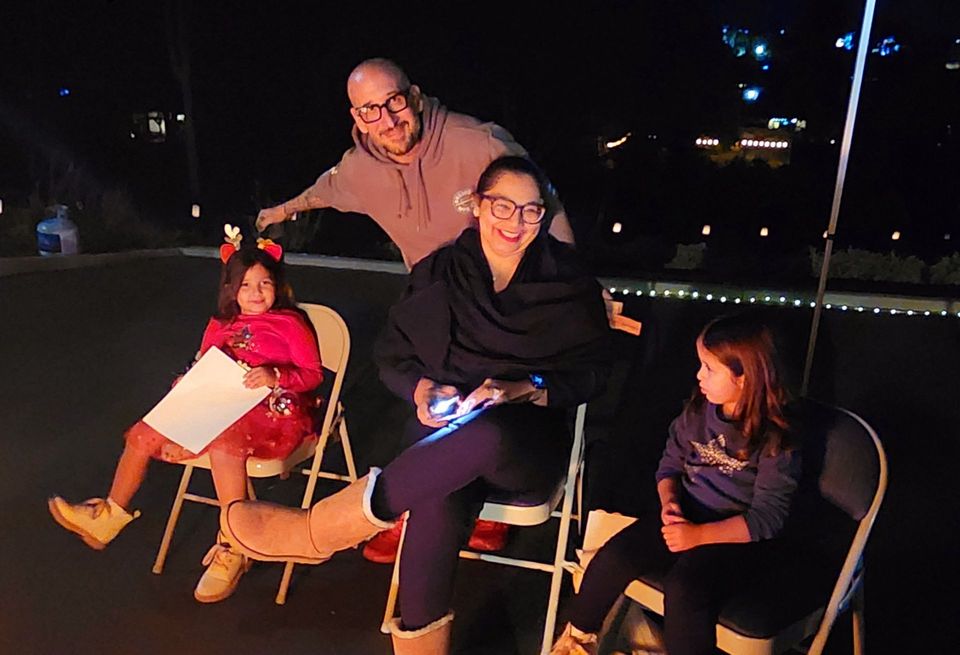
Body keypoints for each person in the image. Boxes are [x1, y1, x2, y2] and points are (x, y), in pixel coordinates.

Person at [219, 156, 612, 654]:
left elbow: (593, 373)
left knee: (485, 436)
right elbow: (393, 356)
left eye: (531, 211)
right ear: (477, 205)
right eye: (503, 206)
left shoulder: (567, 281)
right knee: (437, 496)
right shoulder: (440, 272)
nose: (515, 223)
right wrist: (421, 389)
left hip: (524, 443)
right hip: (441, 436)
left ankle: (318, 530)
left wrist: (523, 386)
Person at [47, 232, 323, 604]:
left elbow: (312, 374)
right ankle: (110, 515)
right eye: (245, 286)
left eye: (264, 284)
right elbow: (204, 365)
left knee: (226, 442)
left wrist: (277, 376)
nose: (256, 293)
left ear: (278, 287)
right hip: (219, 405)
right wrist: (189, 379)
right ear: (230, 289)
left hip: (270, 411)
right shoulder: (220, 324)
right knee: (143, 434)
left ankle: (233, 545)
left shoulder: (290, 323)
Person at [550, 314, 801, 655]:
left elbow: (767, 519)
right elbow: (669, 464)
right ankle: (575, 643)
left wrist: (698, 537)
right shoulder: (699, 411)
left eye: (709, 368)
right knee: (614, 557)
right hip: (686, 513)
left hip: (735, 538)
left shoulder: (775, 440)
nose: (698, 375)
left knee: (684, 589)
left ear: (744, 377)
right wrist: (670, 502)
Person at [254, 57, 575, 269]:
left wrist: (575, 284)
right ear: (359, 119)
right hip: (438, 308)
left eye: (394, 101)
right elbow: (321, 192)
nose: (388, 120)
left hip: (506, 300)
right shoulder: (357, 171)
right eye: (371, 109)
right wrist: (280, 211)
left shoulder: (481, 144)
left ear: (416, 98)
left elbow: (548, 205)